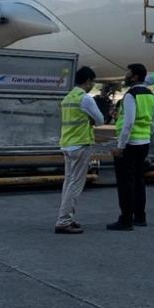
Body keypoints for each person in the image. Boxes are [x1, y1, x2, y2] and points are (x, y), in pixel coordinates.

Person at [107, 63, 154, 231]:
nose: (125, 76)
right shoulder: (150, 94)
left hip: (130, 144)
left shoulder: (130, 95)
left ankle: (125, 219)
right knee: (139, 181)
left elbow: (128, 122)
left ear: (135, 76)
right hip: (143, 143)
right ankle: (140, 216)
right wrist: (149, 140)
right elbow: (153, 121)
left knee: (125, 183)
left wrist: (120, 146)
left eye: (128, 73)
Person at [55, 66, 104, 234]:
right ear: (88, 81)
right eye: (92, 82)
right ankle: (64, 221)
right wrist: (91, 120)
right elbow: (100, 120)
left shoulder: (68, 98)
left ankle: (67, 217)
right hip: (81, 145)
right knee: (75, 184)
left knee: (68, 183)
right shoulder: (85, 99)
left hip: (67, 144)